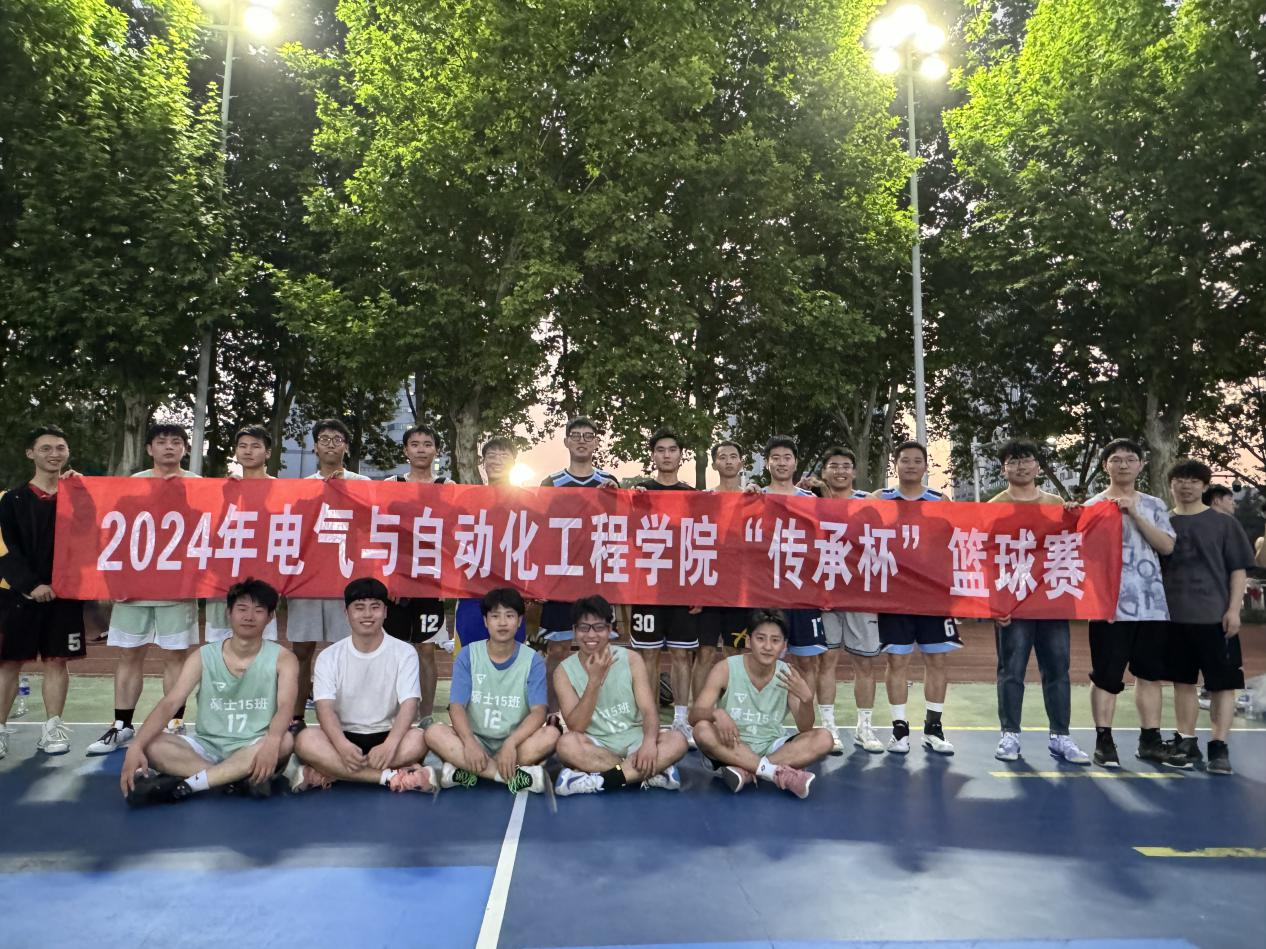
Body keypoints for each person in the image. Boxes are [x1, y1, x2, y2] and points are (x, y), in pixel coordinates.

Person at [120, 579, 298, 805]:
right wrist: (136, 745)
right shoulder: (203, 656)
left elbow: (286, 706)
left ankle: (192, 784)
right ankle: (234, 778)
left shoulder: (283, 658)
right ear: (229, 612)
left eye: (259, 610)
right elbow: (171, 702)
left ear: (270, 617)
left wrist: (272, 741)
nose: (249, 616)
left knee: (285, 741)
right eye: (242, 609)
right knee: (150, 743)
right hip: (207, 746)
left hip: (255, 744)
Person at [88, 423, 200, 755]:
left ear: (184, 449)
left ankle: (175, 723)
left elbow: (211, 534)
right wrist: (114, 581)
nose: (169, 447)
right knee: (130, 654)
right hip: (134, 588)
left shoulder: (200, 486)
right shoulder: (130, 486)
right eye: (161, 442)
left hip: (179, 587)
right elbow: (113, 536)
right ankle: (121, 725)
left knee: (176, 657)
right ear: (150, 448)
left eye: (176, 442)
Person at [988, 440, 1090, 764]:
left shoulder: (1055, 503)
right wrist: (995, 603)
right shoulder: (994, 507)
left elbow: (1070, 545)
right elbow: (987, 558)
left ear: (1037, 466)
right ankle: (1010, 735)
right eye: (1013, 461)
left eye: (1026, 460)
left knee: (1057, 668)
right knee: (1011, 669)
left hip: (1050, 600)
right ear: (1003, 469)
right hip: (1013, 600)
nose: (1021, 466)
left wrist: (1074, 518)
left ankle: (1061, 736)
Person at [289, 577, 435, 793]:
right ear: (346, 613)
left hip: (387, 734)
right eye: (359, 608)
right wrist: (341, 745)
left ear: (385, 611)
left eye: (375, 607)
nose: (367, 614)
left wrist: (390, 745)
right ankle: (385, 776)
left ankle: (333, 771)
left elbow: (409, 704)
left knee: (420, 739)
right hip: (342, 736)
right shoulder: (329, 656)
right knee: (304, 740)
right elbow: (324, 709)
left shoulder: (404, 652)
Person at [1084, 438, 1176, 768]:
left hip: (1151, 604)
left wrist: (1134, 514)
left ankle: (1150, 739)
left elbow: (1166, 546)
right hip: (1108, 607)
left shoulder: (1154, 504)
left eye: (1130, 459)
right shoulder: (1092, 506)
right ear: (1105, 465)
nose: (1123, 464)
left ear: (1141, 465)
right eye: (1116, 459)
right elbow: (1083, 557)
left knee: (1149, 675)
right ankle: (1104, 741)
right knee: (1106, 676)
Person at [1160, 460, 1255, 775]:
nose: (1186, 485)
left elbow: (1238, 570)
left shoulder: (1224, 524)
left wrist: (1233, 610)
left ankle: (1219, 746)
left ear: (1204, 486)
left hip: (1215, 617)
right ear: (1171, 485)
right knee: (1182, 683)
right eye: (1180, 479)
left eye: (1193, 480)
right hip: (1173, 618)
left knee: (1222, 685)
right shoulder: (1161, 522)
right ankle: (1186, 741)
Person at [0, 425, 84, 759]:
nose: (54, 454)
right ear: (30, 453)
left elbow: (95, 537)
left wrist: (84, 490)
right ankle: (0, 730)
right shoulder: (11, 500)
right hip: (18, 597)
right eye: (46, 448)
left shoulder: (78, 496)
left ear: (68, 452)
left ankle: (52, 728)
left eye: (60, 448)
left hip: (64, 595)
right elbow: (6, 548)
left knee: (57, 661)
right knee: (8, 664)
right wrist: (30, 585)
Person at [874, 440, 960, 755]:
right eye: (905, 460)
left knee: (936, 659)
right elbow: (844, 519)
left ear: (926, 466)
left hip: (933, 596)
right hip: (894, 596)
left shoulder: (940, 501)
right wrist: (817, 491)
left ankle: (933, 728)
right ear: (895, 465)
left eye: (917, 461)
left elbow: (958, 541)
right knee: (897, 660)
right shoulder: (880, 499)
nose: (911, 465)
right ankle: (899, 730)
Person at [553, 595, 688, 794]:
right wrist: (594, 681)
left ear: (609, 630)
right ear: (574, 631)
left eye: (599, 627)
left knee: (677, 740)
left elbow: (649, 710)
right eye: (584, 628)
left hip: (636, 741)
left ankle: (602, 780)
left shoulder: (631, 659)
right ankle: (648, 772)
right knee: (566, 745)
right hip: (597, 744)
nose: (591, 635)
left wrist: (649, 744)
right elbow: (576, 726)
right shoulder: (563, 672)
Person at [690, 609, 833, 798]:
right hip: (732, 744)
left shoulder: (788, 674)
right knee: (702, 730)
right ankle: (774, 771)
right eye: (760, 639)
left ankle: (747, 771)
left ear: (784, 645)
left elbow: (805, 728)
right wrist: (717, 713)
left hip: (771, 745)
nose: (767, 646)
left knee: (824, 738)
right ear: (748, 641)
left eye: (775, 640)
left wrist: (806, 700)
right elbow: (695, 715)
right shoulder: (726, 668)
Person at [425, 587, 556, 792]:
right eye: (495, 616)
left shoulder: (533, 660)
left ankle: (466, 770)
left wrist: (511, 744)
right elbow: (457, 707)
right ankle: (509, 776)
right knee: (434, 732)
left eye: (509, 616)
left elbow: (539, 712)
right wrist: (469, 742)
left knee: (551, 735)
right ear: (486, 621)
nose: (502, 622)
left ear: (519, 621)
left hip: (517, 742)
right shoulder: (468, 655)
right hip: (475, 738)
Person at [287, 419, 370, 729]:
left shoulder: (361, 483)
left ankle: (346, 720)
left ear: (346, 446)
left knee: (345, 652)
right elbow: (293, 528)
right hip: (307, 579)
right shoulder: (301, 487)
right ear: (315, 446)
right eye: (324, 439)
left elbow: (371, 525)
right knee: (301, 650)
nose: (331, 444)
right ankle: (296, 717)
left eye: (337, 439)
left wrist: (344, 491)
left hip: (345, 580)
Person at [537, 418, 620, 715]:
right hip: (561, 577)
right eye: (576, 435)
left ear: (596, 442)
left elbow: (623, 527)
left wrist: (617, 498)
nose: (582, 441)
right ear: (566, 441)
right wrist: (541, 581)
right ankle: (552, 714)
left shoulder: (609, 482)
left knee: (597, 646)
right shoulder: (551, 483)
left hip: (596, 578)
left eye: (588, 436)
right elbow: (541, 532)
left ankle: (600, 713)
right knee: (557, 650)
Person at [757, 436, 835, 750]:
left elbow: (825, 545)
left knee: (807, 664)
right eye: (775, 457)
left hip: (802, 593)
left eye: (786, 457)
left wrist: (824, 588)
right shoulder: (755, 499)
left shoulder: (811, 501)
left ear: (795, 462)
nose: (781, 462)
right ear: (767, 463)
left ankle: (805, 725)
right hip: (767, 595)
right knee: (764, 661)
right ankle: (764, 724)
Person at [629, 429, 699, 744]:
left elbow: (700, 544)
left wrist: (699, 589)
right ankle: (650, 718)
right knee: (648, 656)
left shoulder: (693, 496)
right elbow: (624, 534)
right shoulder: (639, 493)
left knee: (683, 656)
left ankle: (681, 720)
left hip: (682, 587)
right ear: (653, 455)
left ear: (681, 455)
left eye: (672, 449)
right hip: (647, 587)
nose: (667, 455)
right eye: (661, 450)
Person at [815, 446, 883, 753]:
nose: (840, 471)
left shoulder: (869, 503)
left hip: (860, 594)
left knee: (864, 663)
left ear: (854, 472)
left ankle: (864, 727)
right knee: (826, 661)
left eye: (845, 466)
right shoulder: (810, 502)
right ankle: (828, 727)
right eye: (833, 466)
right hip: (825, 593)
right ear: (824, 471)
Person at [382, 423, 450, 726]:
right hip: (397, 581)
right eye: (415, 444)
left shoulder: (447, 486)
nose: (421, 449)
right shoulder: (392, 484)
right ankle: (392, 715)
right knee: (393, 650)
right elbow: (381, 532)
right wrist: (390, 578)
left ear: (437, 450)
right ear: (405, 450)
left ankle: (426, 717)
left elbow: (454, 536)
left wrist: (448, 581)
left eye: (427, 444)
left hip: (431, 579)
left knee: (426, 649)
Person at [452, 438, 529, 647]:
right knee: (472, 651)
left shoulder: (527, 500)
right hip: (473, 587)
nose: (497, 460)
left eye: (504, 456)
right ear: (483, 462)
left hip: (512, 588)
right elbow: (450, 536)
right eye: (491, 456)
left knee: (510, 653)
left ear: (513, 463)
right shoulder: (469, 498)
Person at [206, 425, 279, 644]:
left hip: (263, 576)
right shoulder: (223, 488)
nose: (248, 451)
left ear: (267, 453)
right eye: (243, 446)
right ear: (236, 451)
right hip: (225, 574)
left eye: (255, 446)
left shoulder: (281, 489)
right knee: (218, 643)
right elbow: (211, 529)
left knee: (262, 644)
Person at [694, 441, 750, 709]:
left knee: (733, 653)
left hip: (739, 591)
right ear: (714, 464)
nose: (728, 461)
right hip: (709, 587)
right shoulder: (704, 499)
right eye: (722, 457)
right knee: (704, 652)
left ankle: (731, 709)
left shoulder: (754, 499)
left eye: (733, 456)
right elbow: (692, 542)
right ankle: (698, 710)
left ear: (741, 462)